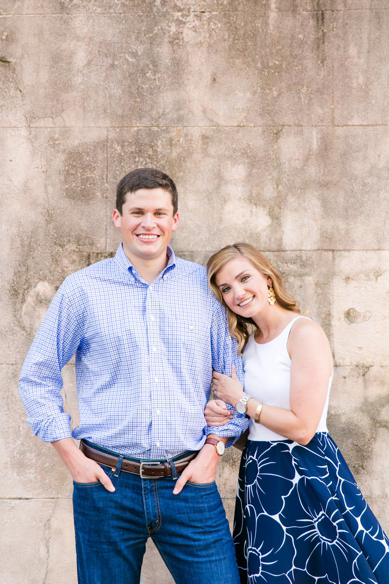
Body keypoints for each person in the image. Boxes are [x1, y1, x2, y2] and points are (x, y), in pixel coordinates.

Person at [19, 168, 247, 584]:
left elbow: (235, 375)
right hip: (106, 485)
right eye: (137, 211)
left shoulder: (207, 288)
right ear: (117, 217)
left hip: (189, 483)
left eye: (160, 212)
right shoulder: (82, 289)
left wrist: (215, 450)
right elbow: (38, 375)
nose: (149, 223)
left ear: (174, 220)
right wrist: (72, 456)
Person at [205, 242, 389, 584]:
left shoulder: (303, 333)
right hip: (262, 477)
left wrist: (241, 400)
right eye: (226, 288)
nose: (238, 293)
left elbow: (303, 428)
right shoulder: (246, 345)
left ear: (268, 278)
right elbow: (257, 435)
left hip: (306, 472)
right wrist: (225, 421)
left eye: (245, 278)